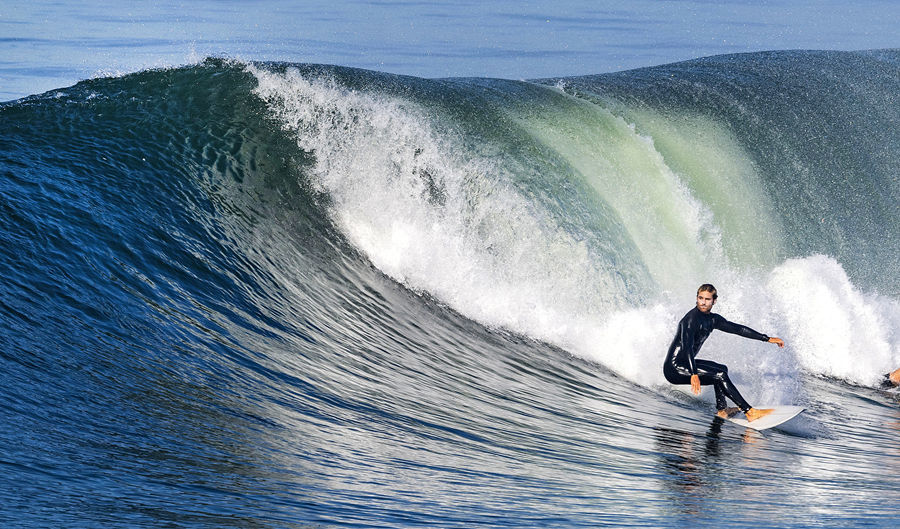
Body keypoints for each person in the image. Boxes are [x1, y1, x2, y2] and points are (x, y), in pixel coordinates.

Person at [664, 284, 785, 422]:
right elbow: (687, 348)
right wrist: (694, 373)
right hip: (674, 368)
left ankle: (722, 410)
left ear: (714, 301)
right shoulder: (690, 320)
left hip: (686, 364)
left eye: (707, 299)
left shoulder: (713, 319)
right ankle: (749, 412)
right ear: (696, 298)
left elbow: (737, 329)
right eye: (700, 298)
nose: (703, 302)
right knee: (719, 375)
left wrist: (766, 338)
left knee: (722, 369)